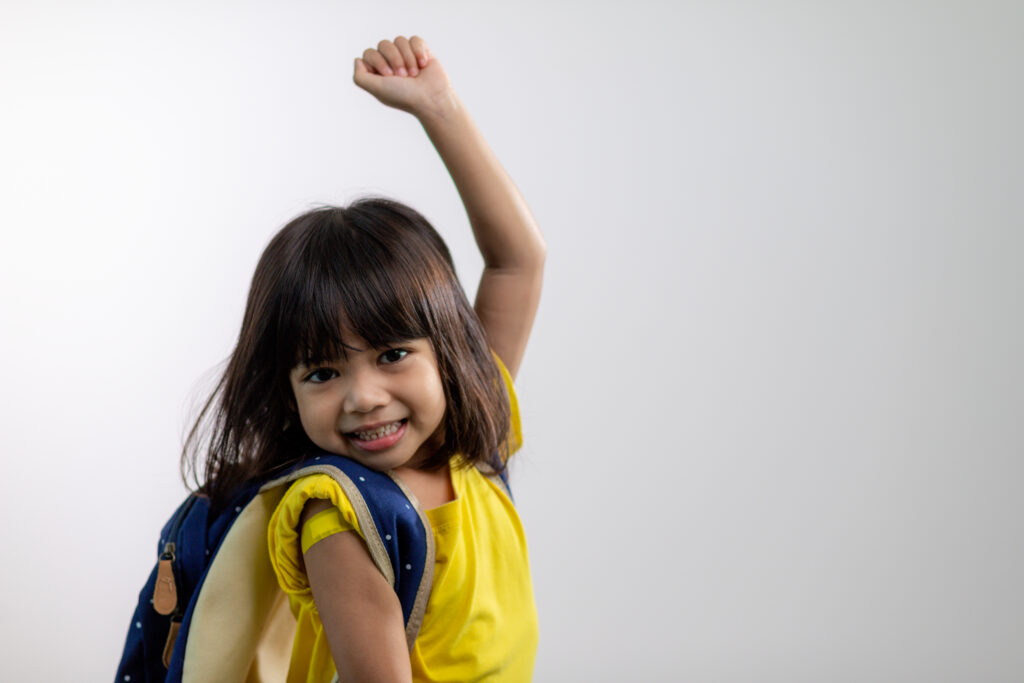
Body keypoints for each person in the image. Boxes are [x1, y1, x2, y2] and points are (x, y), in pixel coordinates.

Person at [184, 35, 545, 682]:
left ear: (448, 352)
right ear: (286, 389)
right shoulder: (341, 515)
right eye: (323, 372)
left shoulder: (475, 437)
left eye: (393, 353)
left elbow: (519, 259)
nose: (364, 395)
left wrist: (440, 107)